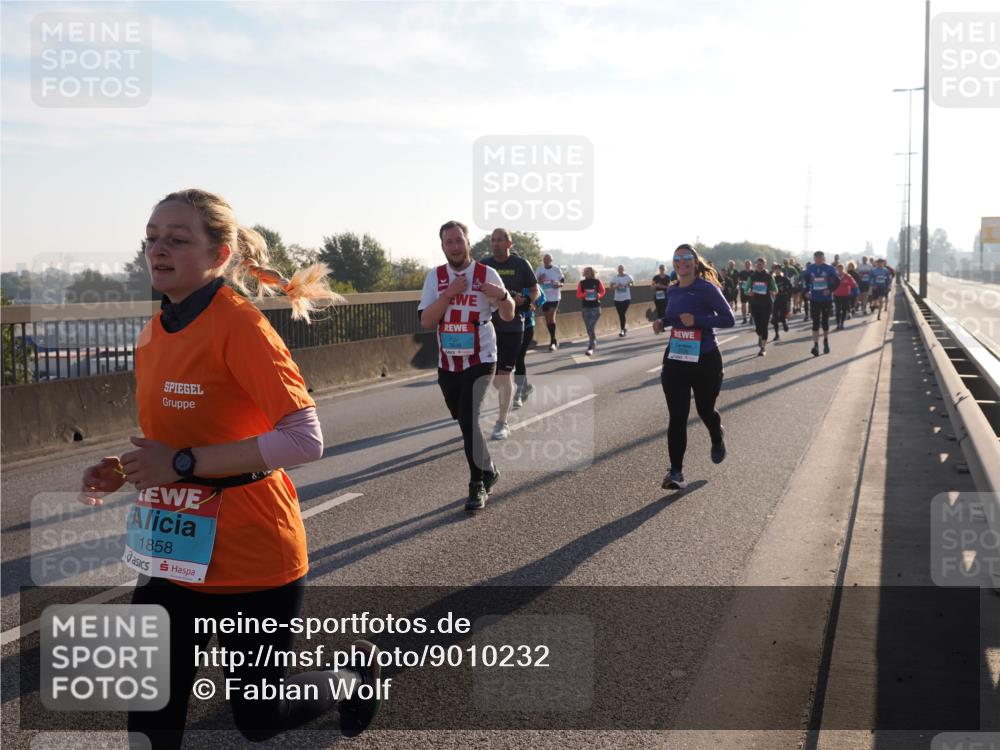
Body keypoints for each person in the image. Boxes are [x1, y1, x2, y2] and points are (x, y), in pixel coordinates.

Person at [77, 188, 380, 750]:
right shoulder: (151, 335)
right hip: (171, 557)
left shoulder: (239, 326)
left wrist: (183, 462)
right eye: (150, 238)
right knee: (150, 722)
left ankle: (351, 678)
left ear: (219, 255)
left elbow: (305, 439)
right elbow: (175, 443)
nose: (157, 250)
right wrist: (124, 468)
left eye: (177, 239)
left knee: (258, 720)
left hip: (251, 556)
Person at [419, 220, 515, 509]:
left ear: (468, 241)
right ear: (443, 246)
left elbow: (509, 315)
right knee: (463, 420)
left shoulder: (487, 274)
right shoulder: (435, 278)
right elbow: (426, 321)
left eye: (459, 240)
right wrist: (449, 294)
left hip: (482, 357)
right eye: (449, 242)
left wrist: (502, 295)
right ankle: (489, 469)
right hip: (448, 362)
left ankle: (477, 484)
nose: (455, 247)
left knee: (469, 417)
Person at [652, 243, 735, 490]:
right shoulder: (673, 290)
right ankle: (676, 472)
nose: (683, 262)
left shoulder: (706, 288)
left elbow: (728, 318)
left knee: (705, 409)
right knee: (677, 416)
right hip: (677, 357)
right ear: (674, 263)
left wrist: (698, 320)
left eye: (687, 257)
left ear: (695, 262)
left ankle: (716, 433)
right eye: (678, 258)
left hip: (705, 358)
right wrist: (662, 322)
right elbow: (675, 317)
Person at [481, 228, 538, 440]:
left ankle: (502, 422)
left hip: (514, 326)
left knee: (503, 374)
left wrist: (527, 300)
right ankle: (512, 389)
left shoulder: (521, 264)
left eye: (500, 240)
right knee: (495, 379)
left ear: (509, 243)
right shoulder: (484, 265)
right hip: (488, 328)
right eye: (493, 240)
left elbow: (534, 289)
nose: (495, 243)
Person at [513, 283, 545, 409]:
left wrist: (534, 305)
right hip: (506, 326)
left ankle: (518, 393)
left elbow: (542, 296)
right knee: (510, 360)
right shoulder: (505, 278)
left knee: (518, 358)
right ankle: (525, 387)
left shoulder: (529, 282)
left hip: (526, 325)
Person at [802, 250, 840, 356]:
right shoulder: (810, 268)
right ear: (814, 258)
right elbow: (806, 282)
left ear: (823, 258)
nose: (818, 259)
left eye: (820, 257)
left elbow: (837, 281)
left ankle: (826, 341)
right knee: (815, 322)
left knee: (825, 322)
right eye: (816, 257)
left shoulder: (829, 268)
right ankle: (815, 345)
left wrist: (830, 290)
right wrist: (806, 292)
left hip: (826, 299)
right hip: (814, 299)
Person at [743, 257, 777, 356]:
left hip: (766, 305)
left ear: (764, 265)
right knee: (758, 328)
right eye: (758, 264)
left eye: (761, 264)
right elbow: (745, 290)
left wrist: (772, 292)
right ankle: (760, 336)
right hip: (755, 305)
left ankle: (763, 348)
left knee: (765, 325)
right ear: (755, 265)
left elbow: (776, 290)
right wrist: (749, 293)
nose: (760, 266)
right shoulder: (752, 277)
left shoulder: (769, 277)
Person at [534, 254, 565, 351]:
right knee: (548, 320)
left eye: (548, 259)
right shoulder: (540, 269)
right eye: (544, 259)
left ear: (551, 260)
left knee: (551, 317)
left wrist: (559, 284)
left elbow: (562, 280)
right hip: (544, 297)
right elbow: (534, 282)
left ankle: (552, 341)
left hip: (555, 297)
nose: (546, 261)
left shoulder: (556, 269)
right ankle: (554, 339)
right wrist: (539, 280)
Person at [576, 267, 606, 356]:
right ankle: (593, 343)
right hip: (585, 307)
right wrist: (584, 294)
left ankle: (590, 346)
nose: (587, 273)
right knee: (589, 328)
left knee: (591, 326)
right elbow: (578, 295)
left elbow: (603, 291)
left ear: (592, 273)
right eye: (586, 272)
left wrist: (599, 295)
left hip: (595, 307)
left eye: (589, 271)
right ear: (584, 273)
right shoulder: (581, 283)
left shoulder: (597, 282)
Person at [832, 262, 858, 330]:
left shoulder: (847, 276)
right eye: (838, 269)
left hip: (845, 295)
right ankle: (838, 324)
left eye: (841, 269)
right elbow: (830, 284)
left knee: (844, 309)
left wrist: (851, 286)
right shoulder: (834, 276)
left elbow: (854, 284)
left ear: (843, 269)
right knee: (838, 309)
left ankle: (842, 323)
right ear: (836, 269)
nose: (840, 270)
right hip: (836, 295)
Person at [610, 265, 634, 337]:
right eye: (619, 269)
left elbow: (632, 283)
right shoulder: (615, 278)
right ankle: (623, 328)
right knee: (620, 314)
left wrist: (628, 284)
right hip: (617, 299)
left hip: (626, 298)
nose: (621, 270)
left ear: (624, 269)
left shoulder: (628, 277)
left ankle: (622, 330)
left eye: (622, 269)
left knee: (622, 313)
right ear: (618, 270)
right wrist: (615, 286)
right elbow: (610, 287)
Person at [771, 263, 792, 341]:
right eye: (775, 269)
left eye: (778, 269)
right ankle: (776, 334)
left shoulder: (785, 279)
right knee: (775, 317)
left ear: (780, 270)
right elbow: (770, 289)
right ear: (774, 270)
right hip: (775, 299)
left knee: (782, 315)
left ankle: (784, 323)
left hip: (783, 298)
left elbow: (790, 288)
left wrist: (788, 296)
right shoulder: (772, 279)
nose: (777, 270)